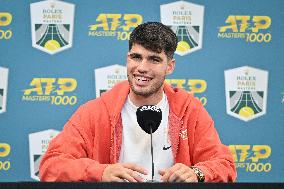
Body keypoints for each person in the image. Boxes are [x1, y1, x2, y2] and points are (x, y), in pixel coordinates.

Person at [39, 22, 237, 182]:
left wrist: (197, 173)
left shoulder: (189, 110)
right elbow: (51, 166)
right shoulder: (95, 112)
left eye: (154, 59)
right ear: (127, 59)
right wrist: (100, 173)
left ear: (170, 67)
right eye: (136, 57)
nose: (142, 67)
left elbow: (224, 165)